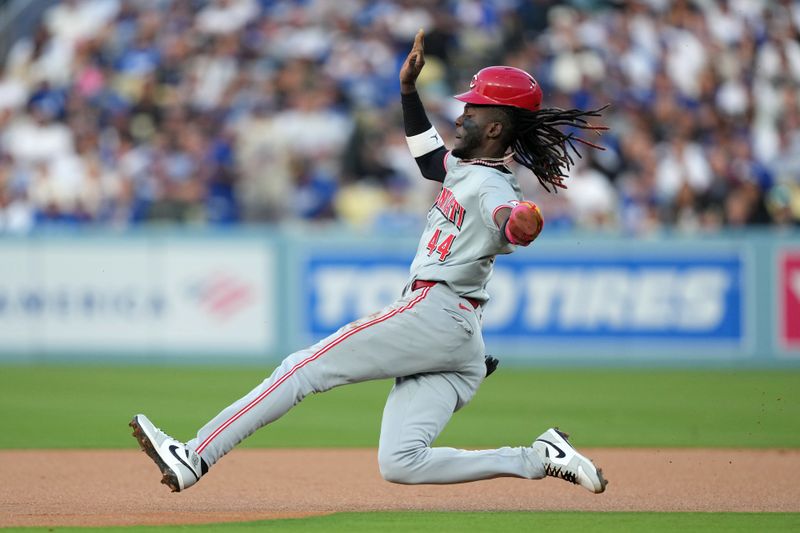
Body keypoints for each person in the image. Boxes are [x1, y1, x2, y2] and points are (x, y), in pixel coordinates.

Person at [130, 30, 608, 494]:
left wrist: (520, 220)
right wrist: (407, 90)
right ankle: (537, 456)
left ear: (496, 127)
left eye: (472, 108)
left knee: (303, 369)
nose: (461, 115)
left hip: (436, 312)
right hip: (460, 336)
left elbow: (507, 216)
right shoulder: (470, 169)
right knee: (402, 463)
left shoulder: (494, 187)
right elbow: (427, 160)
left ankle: (194, 455)